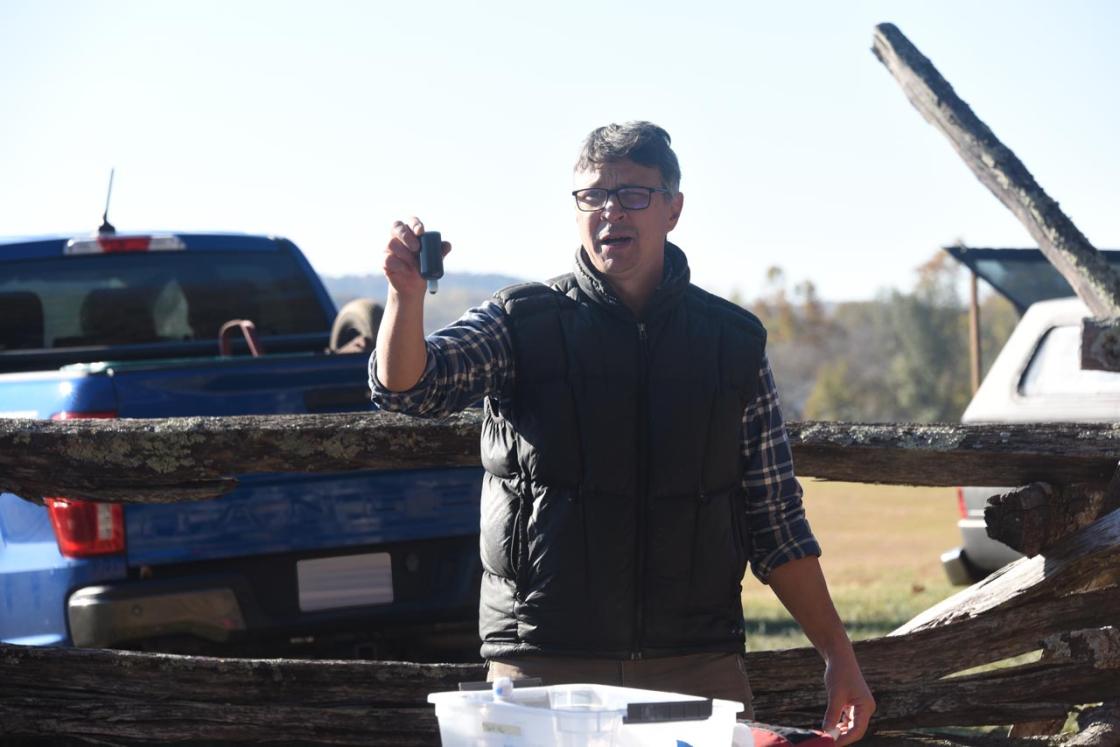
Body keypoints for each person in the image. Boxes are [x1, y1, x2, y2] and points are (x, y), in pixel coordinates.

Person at [370, 121, 875, 744]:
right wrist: (406, 299)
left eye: (633, 194)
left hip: (694, 666)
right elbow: (409, 388)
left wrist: (838, 657)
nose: (610, 210)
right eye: (592, 195)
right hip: (544, 669)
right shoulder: (520, 323)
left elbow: (774, 519)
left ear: (674, 209)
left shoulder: (733, 343)